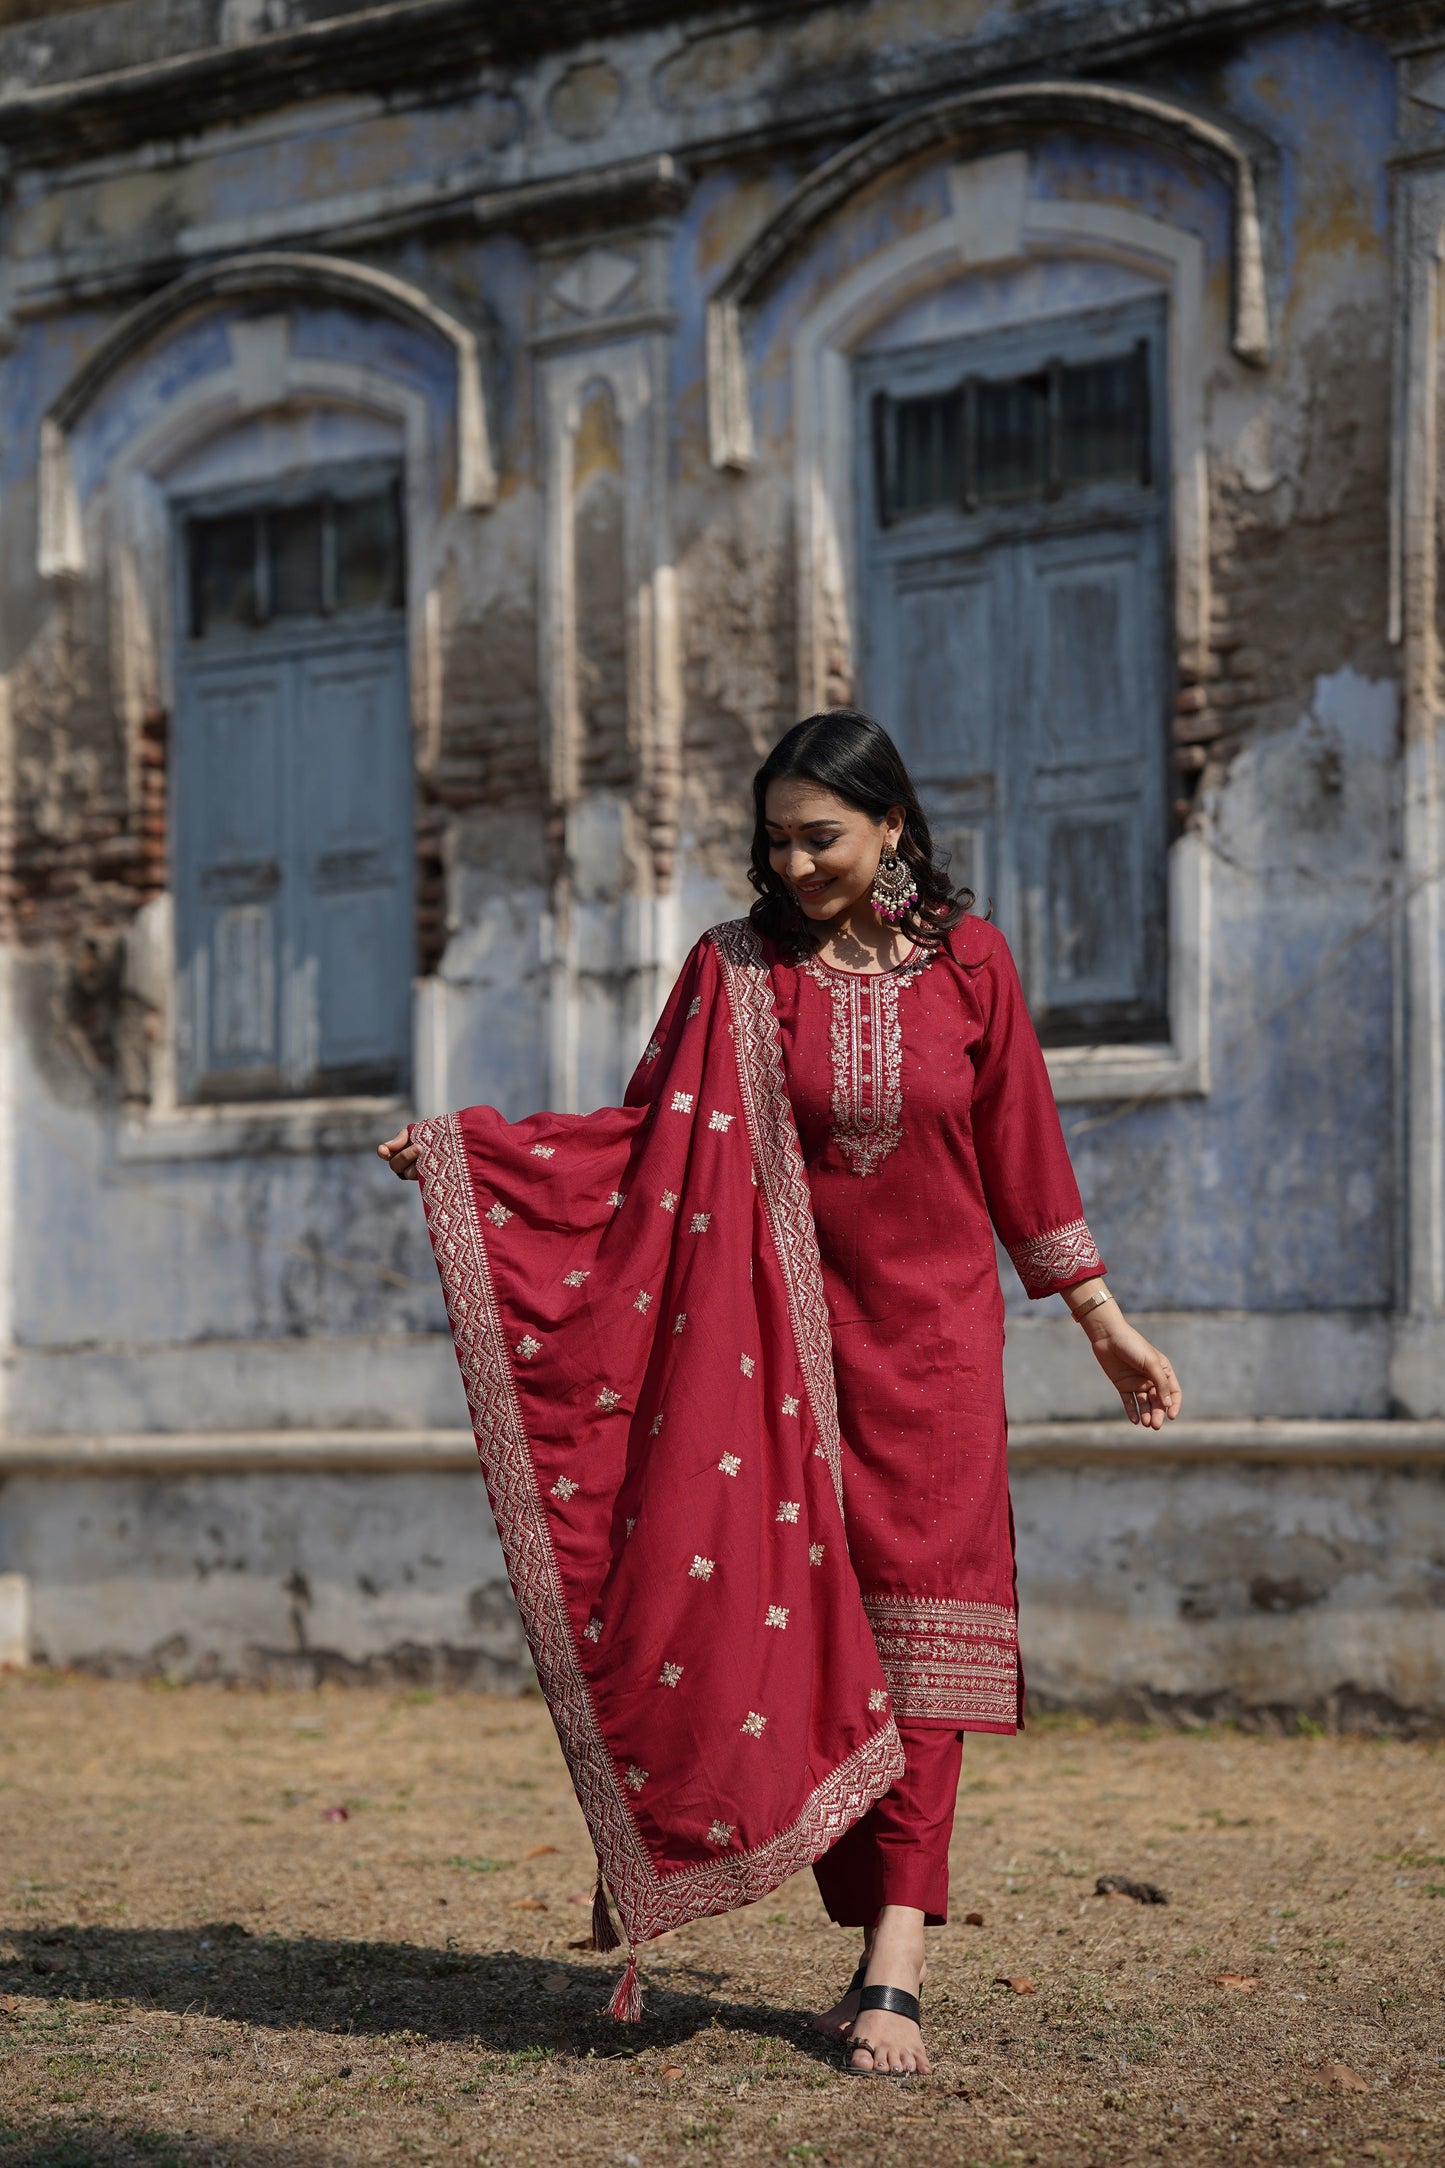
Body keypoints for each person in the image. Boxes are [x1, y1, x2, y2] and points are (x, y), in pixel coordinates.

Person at [380, 709, 1181, 2076]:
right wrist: (476, 1160)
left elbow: (1021, 1155)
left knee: (925, 1652)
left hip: (933, 1358)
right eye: (777, 841)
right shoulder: (734, 972)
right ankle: (715, 1846)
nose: (798, 864)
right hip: (770, 1363)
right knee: (795, 1633)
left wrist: (1099, 1320)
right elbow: (650, 1146)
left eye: (823, 837)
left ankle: (895, 1970)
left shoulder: (970, 969)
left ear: (891, 827)